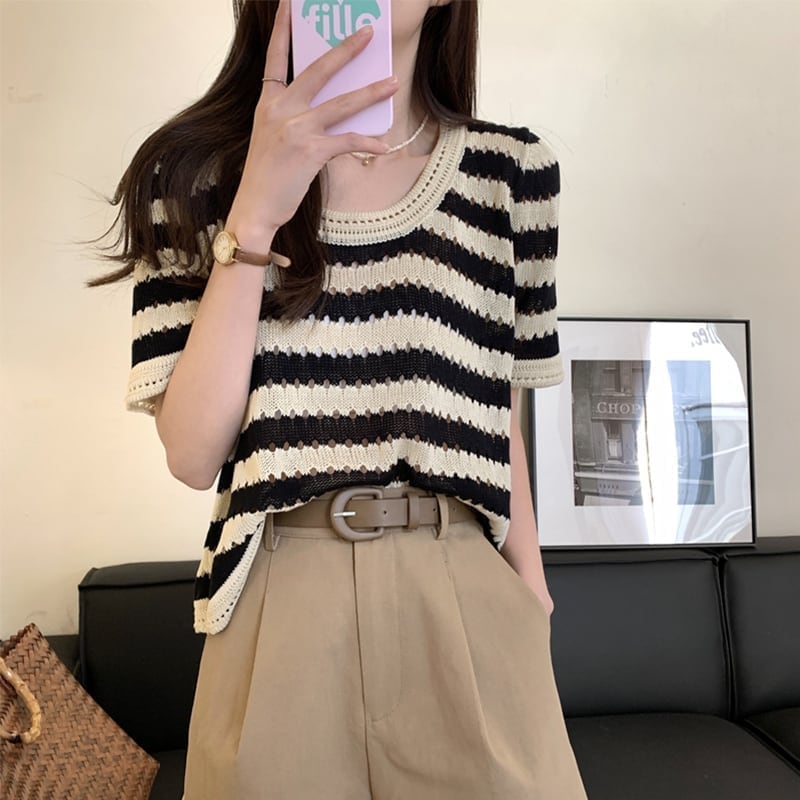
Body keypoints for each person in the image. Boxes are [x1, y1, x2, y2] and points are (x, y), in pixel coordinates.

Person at [99, 0, 588, 797]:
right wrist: (257, 211)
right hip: (281, 601)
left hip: (465, 584)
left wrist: (530, 594)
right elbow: (191, 453)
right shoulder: (188, 176)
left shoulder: (512, 174)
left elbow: (494, 407)